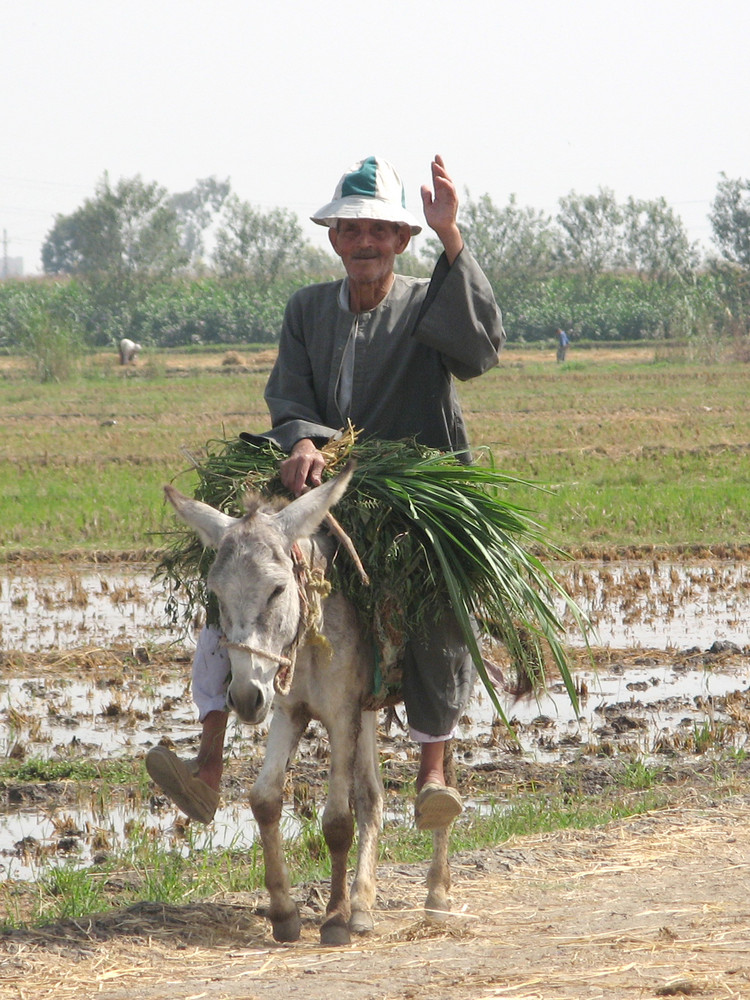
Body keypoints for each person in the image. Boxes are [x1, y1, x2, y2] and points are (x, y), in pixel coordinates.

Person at [146, 154, 505, 831]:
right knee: (234, 568)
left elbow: (479, 352)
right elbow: (288, 394)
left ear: (403, 240)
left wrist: (453, 236)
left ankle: (433, 764)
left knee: (437, 591)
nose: (364, 242)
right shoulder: (307, 309)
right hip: (311, 479)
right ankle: (210, 759)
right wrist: (304, 442)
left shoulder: (428, 300)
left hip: (406, 490)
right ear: (334, 240)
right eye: (351, 229)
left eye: (379, 230)